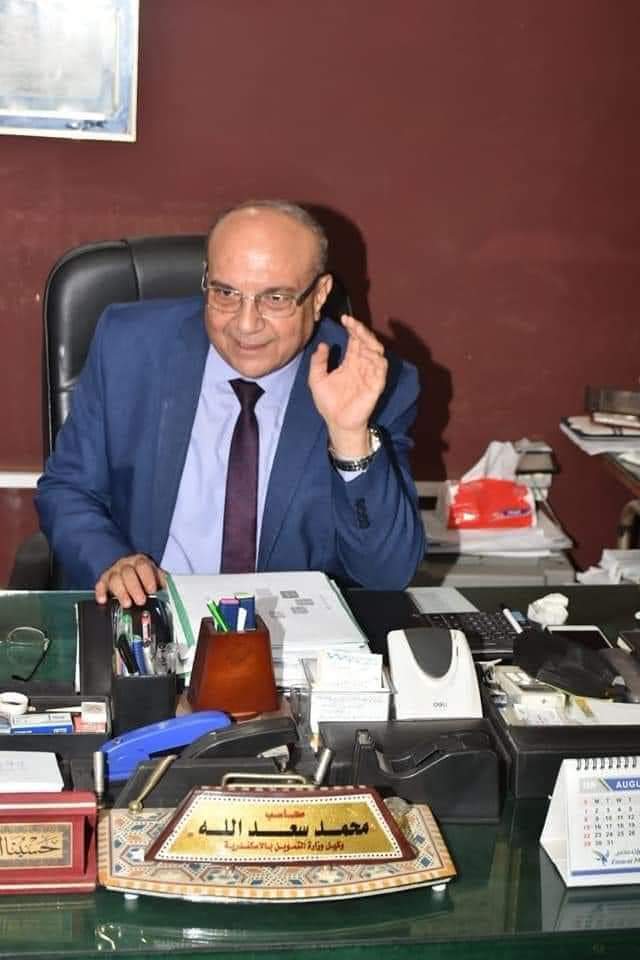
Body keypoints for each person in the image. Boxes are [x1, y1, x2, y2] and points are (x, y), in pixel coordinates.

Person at [36, 200, 425, 606]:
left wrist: (349, 438)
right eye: (225, 293)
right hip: (151, 615)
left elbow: (386, 574)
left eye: (275, 298)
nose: (245, 324)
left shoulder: (369, 382)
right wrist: (113, 562)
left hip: (292, 632)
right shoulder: (130, 346)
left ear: (319, 295)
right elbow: (68, 489)